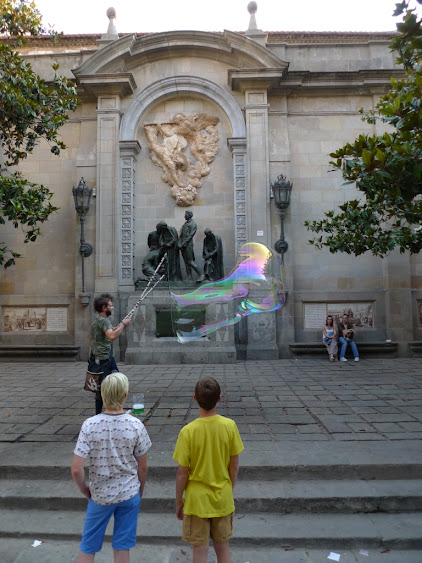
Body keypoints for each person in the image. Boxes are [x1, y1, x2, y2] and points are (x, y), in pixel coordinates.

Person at [71, 372, 151, 563]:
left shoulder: (90, 425)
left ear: (102, 395)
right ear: (125, 395)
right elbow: (143, 467)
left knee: (88, 546)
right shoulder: (136, 425)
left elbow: (76, 468)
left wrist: (86, 490)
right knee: (122, 546)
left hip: (100, 495)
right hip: (128, 493)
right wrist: (139, 490)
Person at [173, 376, 244, 563]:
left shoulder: (187, 432)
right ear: (219, 399)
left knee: (199, 552)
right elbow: (234, 465)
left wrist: (178, 501)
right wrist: (229, 488)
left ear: (194, 398)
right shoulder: (230, 426)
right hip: (222, 498)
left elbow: (182, 472)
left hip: (197, 502)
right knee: (223, 549)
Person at [90, 295, 131, 415]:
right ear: (104, 308)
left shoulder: (97, 321)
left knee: (102, 389)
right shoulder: (104, 321)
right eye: (110, 306)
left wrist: (118, 326)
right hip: (104, 360)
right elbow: (112, 336)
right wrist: (123, 324)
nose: (112, 308)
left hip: (100, 359)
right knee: (116, 385)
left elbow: (109, 333)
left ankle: (100, 414)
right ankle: (115, 412)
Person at [178, 210, 204, 282]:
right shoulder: (185, 224)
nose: (184, 216)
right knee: (186, 262)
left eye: (185, 214)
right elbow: (181, 235)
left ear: (189, 215)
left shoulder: (193, 224)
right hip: (183, 246)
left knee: (190, 261)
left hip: (188, 245)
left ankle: (201, 274)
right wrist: (179, 243)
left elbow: (190, 235)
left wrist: (183, 244)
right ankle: (189, 277)